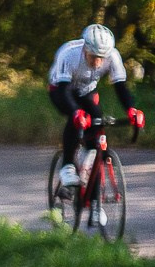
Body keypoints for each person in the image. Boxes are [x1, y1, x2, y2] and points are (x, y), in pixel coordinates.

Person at [49, 23, 141, 194]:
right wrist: (76, 112)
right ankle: (68, 166)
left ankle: (94, 204)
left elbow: (120, 86)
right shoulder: (69, 54)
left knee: (97, 124)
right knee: (76, 118)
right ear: (85, 49)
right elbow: (64, 90)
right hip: (61, 89)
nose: (98, 62)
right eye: (93, 56)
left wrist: (131, 110)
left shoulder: (112, 56)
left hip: (86, 90)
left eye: (102, 57)